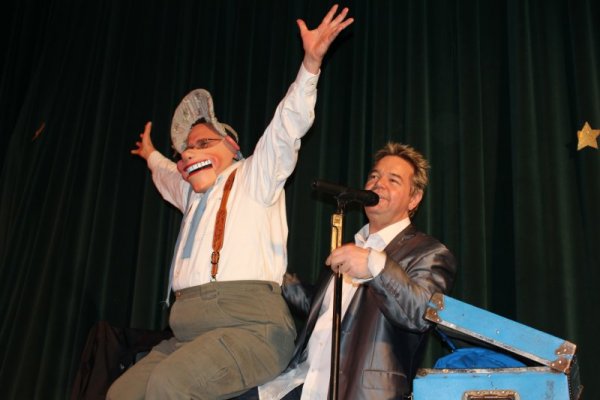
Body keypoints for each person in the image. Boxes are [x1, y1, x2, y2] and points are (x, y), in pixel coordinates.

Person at [106, 5, 354, 400]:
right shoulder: (191, 193)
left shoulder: (255, 175)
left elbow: (286, 128)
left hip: (251, 329)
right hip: (189, 334)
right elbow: (167, 174)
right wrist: (151, 154)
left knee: (169, 385)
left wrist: (310, 66)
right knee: (122, 393)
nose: (189, 153)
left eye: (202, 143)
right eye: (185, 150)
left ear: (232, 146)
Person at [258, 142, 457, 399]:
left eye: (393, 180)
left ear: (414, 198)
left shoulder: (429, 252)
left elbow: (422, 314)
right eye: (374, 176)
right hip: (300, 383)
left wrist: (376, 266)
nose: (378, 184)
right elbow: (319, 307)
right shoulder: (352, 246)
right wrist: (274, 274)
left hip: (360, 392)